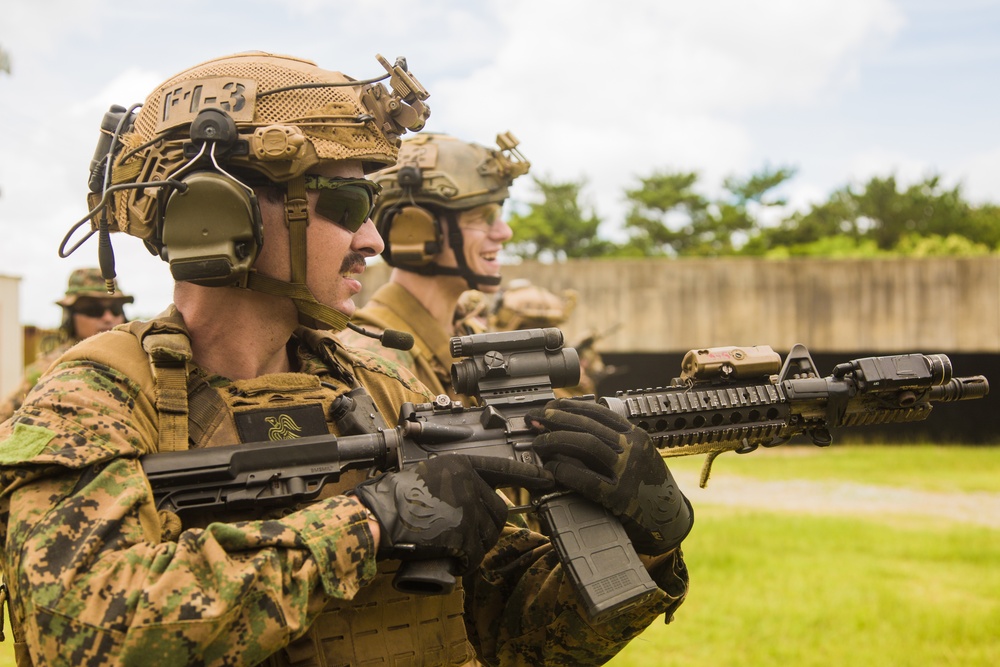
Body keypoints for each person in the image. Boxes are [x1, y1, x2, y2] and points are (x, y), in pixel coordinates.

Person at [0, 52, 692, 667]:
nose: (372, 239)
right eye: (346, 202)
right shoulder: (94, 397)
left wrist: (647, 542)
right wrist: (368, 522)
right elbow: (83, 631)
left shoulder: (376, 384)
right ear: (219, 210)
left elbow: (513, 636)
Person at [338, 132, 529, 401]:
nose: (504, 232)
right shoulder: (372, 361)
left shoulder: (468, 334)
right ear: (414, 229)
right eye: (483, 217)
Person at [0, 267, 132, 422]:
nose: (108, 318)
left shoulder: (140, 360)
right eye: (93, 309)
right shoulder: (48, 369)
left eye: (116, 309)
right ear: (70, 315)